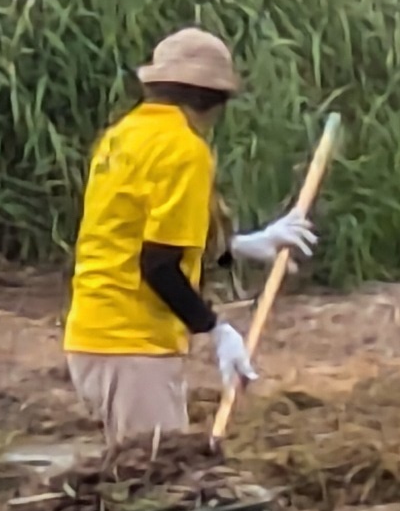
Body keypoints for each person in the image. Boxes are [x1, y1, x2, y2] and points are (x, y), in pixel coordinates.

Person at [64, 27, 316, 441]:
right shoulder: (184, 150)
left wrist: (245, 246)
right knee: (159, 484)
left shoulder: (121, 136)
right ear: (214, 102)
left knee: (134, 477)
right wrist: (216, 329)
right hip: (133, 347)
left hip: (91, 338)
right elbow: (159, 265)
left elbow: (136, 239)